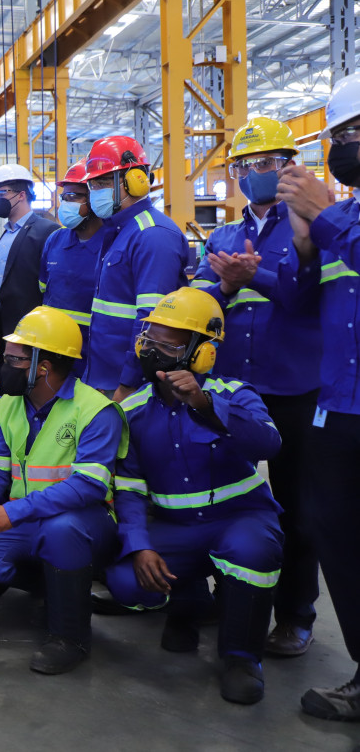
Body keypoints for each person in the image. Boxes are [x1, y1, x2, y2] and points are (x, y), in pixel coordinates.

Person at [106, 288, 283, 705]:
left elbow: (269, 444)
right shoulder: (132, 412)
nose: (152, 351)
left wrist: (203, 405)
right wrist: (140, 545)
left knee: (253, 552)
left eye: (167, 344)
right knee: (125, 578)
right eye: (148, 339)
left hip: (240, 519)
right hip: (178, 530)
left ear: (202, 353)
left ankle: (241, 658)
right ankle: (189, 606)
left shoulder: (234, 393)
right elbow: (129, 489)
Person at [0, 306, 127, 675]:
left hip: (83, 522)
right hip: (27, 517)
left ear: (43, 366)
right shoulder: (9, 406)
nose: (3, 366)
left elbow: (88, 487)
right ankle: (52, 585)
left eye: (14, 359)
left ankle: (70, 638)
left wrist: (14, 512)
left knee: (62, 530)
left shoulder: (95, 411)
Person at [192, 117, 322, 658]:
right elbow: (199, 305)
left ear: (289, 165)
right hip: (233, 387)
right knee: (224, 496)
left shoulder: (312, 228)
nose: (251, 173)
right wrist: (223, 286)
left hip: (294, 387)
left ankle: (295, 615)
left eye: (263, 163)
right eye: (242, 166)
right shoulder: (223, 236)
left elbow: (309, 298)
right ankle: (230, 596)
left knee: (297, 508)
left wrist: (255, 277)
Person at [275, 71, 360, 721]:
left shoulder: (339, 218)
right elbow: (299, 303)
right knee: (338, 539)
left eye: (357, 130)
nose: (345, 143)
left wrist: (322, 217)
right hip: (337, 407)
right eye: (340, 134)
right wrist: (304, 249)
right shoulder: (342, 218)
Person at [81, 136, 189, 399]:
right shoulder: (118, 231)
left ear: (134, 181)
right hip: (103, 377)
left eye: (103, 183)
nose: (95, 192)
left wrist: (128, 383)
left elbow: (152, 320)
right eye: (93, 184)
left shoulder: (152, 235)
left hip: (129, 385)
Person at [0, 164, 58, 346]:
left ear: (21, 195)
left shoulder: (47, 231)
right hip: (2, 334)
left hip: (33, 335)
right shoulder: (5, 236)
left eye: (2, 193)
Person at [39, 161, 103, 343]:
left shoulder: (113, 243)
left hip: (94, 347)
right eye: (64, 197)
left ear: (94, 199)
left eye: (73, 196)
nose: (66, 203)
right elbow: (44, 289)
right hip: (53, 345)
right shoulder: (55, 240)